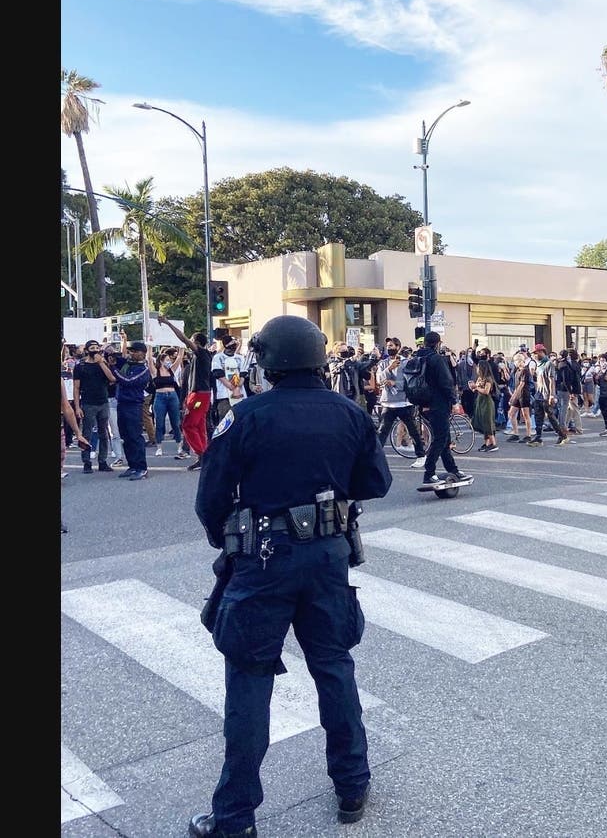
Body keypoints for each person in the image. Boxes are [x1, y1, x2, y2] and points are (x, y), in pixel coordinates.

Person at [190, 315, 392, 836]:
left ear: (269, 362)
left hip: (262, 558)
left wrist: (228, 540)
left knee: (250, 678)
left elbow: (210, 500)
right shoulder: (350, 412)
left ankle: (235, 817)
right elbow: (376, 482)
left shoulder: (245, 416)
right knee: (334, 666)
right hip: (328, 556)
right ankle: (352, 785)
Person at [159, 315, 214, 472]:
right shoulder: (201, 356)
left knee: (188, 425)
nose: (189, 342)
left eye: (191, 340)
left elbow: (183, 338)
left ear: (196, 342)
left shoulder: (201, 353)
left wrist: (168, 323)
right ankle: (204, 456)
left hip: (199, 396)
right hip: (200, 395)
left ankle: (201, 454)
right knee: (199, 426)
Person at [412, 331, 467, 487]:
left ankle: (453, 469)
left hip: (423, 404)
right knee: (441, 439)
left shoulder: (417, 358)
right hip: (438, 404)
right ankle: (429, 473)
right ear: (438, 343)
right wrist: (454, 401)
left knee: (444, 438)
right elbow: (446, 382)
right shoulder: (436, 359)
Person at [112, 338, 155, 481]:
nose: (131, 354)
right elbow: (114, 358)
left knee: (135, 437)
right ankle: (132, 465)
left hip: (134, 406)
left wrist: (114, 370)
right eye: (130, 351)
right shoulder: (127, 365)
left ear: (143, 353)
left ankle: (142, 468)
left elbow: (128, 381)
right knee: (126, 437)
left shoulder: (143, 370)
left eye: (135, 351)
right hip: (122, 403)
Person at [376, 352, 427, 465]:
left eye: (392, 345)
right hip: (388, 403)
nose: (390, 348)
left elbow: (409, 381)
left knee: (412, 430)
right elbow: (378, 379)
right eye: (388, 346)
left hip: (404, 403)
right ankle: (374, 457)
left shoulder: (406, 363)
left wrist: (395, 383)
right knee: (382, 431)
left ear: (398, 347)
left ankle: (421, 455)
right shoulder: (383, 363)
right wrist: (389, 368)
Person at [73, 340, 116, 473]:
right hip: (88, 403)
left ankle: (102, 461)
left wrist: (101, 363)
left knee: (104, 433)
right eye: (92, 348)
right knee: (87, 433)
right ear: (86, 350)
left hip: (103, 402)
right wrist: (77, 407)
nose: (95, 350)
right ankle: (86, 462)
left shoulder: (103, 364)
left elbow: (112, 379)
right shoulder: (80, 366)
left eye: (97, 348)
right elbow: (76, 387)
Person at [526, 343, 569, 447]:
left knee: (551, 416)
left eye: (536, 353)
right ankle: (538, 437)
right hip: (539, 394)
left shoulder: (548, 364)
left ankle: (562, 435)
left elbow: (551, 380)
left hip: (546, 394)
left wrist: (552, 395)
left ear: (541, 352)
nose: (534, 355)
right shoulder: (539, 364)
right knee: (538, 416)